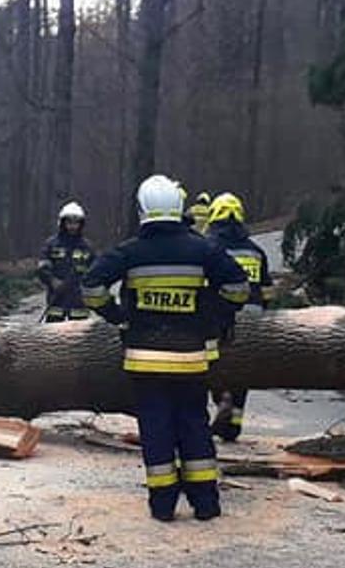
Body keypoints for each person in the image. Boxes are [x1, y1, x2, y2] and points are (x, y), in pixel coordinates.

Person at [83, 175, 251, 521]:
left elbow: (91, 287)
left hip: (144, 360)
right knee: (194, 424)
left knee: (156, 428)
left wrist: (118, 315)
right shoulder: (203, 248)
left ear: (143, 210)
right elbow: (238, 288)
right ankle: (206, 504)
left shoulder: (129, 252)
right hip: (191, 358)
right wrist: (211, 316)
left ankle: (162, 506)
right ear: (177, 207)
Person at [203, 192, 274, 441]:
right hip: (253, 315)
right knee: (244, 368)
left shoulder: (211, 247)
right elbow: (267, 289)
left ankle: (221, 397)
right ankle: (234, 421)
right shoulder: (255, 251)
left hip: (220, 316)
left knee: (212, 363)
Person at [36, 202, 96, 322]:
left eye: (76, 222)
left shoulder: (87, 246)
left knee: (80, 338)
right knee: (53, 337)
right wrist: (52, 281)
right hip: (56, 300)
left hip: (79, 302)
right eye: (69, 222)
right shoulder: (51, 244)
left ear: (81, 224)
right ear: (62, 223)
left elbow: (95, 270)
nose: (73, 226)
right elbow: (42, 268)